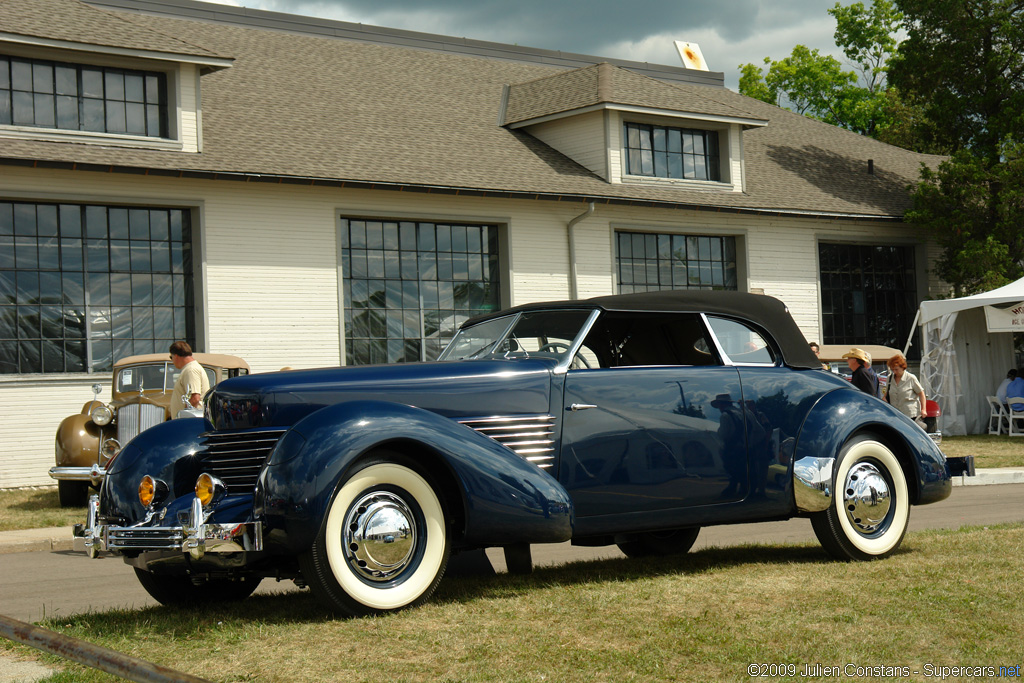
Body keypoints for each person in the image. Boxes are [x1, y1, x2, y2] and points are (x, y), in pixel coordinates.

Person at [169, 341, 210, 417]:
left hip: (189, 421)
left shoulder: (191, 370)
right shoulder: (189, 369)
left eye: (171, 357)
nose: (172, 361)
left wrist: (184, 417)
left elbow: (195, 398)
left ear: (176, 356)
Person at [884, 353, 926, 422]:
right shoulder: (889, 378)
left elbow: (921, 394)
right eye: (892, 369)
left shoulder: (911, 378)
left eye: (896, 369)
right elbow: (887, 393)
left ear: (902, 367)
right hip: (895, 414)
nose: (894, 372)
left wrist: (923, 409)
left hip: (910, 415)